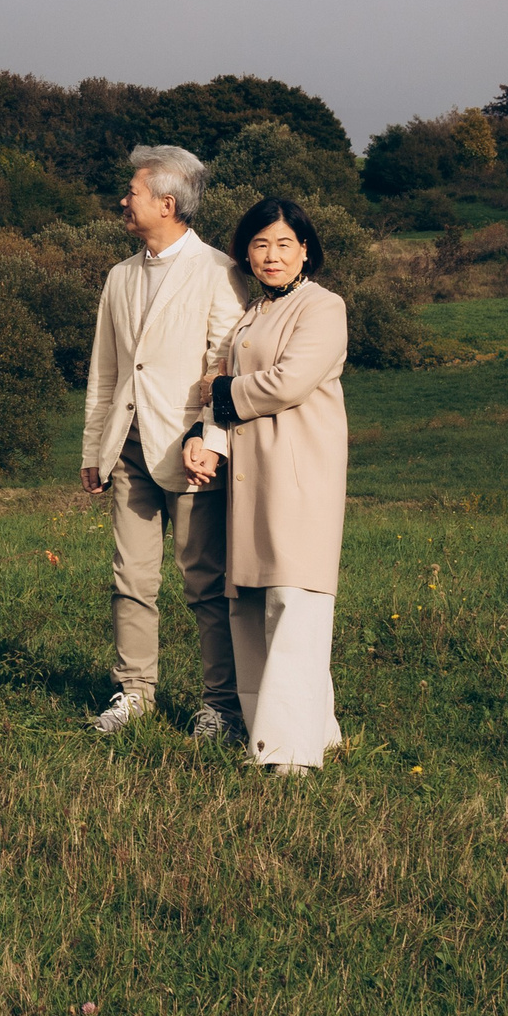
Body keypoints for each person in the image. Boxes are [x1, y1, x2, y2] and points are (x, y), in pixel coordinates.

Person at [79, 146, 249, 738]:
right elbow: (105, 371)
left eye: (133, 192)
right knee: (131, 578)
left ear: (168, 203)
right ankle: (135, 693)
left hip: (190, 451)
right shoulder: (119, 275)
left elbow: (223, 364)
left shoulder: (219, 270)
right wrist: (92, 449)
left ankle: (221, 705)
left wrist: (210, 439)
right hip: (125, 447)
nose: (123, 201)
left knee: (203, 580)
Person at [185, 198, 349, 775]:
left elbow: (289, 382)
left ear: (306, 249)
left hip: (299, 475)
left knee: (294, 601)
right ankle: (299, 731)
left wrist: (219, 390)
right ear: (244, 253)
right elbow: (228, 395)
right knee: (251, 604)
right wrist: (207, 438)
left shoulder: (323, 307)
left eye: (284, 244)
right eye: (259, 244)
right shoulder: (252, 314)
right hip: (251, 478)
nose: (271, 256)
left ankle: (289, 753)